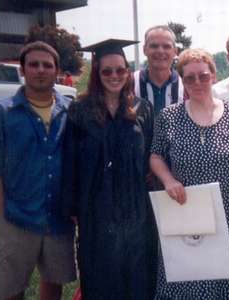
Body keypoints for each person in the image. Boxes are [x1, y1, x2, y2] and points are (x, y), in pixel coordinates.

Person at [62, 39, 157, 299]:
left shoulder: (142, 109)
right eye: (107, 71)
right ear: (97, 73)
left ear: (127, 71)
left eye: (120, 70)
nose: (114, 76)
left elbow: (151, 156)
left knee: (136, 277)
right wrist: (72, 208)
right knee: (102, 276)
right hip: (96, 211)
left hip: (135, 210)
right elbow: (70, 161)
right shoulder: (80, 110)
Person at [150, 48, 229, 299]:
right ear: (182, 80)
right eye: (189, 78)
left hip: (227, 217)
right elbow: (156, 155)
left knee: (223, 285)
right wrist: (168, 179)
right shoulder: (169, 116)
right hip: (184, 213)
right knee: (187, 283)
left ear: (214, 76)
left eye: (203, 76)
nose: (197, 82)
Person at [0, 41, 76, 300]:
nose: (40, 70)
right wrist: (1, 213)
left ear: (57, 71)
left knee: (53, 284)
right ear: (24, 70)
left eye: (47, 65)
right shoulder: (2, 112)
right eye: (34, 64)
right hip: (17, 215)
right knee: (10, 288)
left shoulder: (70, 111)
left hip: (58, 217)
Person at [134, 25, 184, 116]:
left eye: (166, 46)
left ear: (175, 51)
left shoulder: (186, 85)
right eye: (154, 46)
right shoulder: (131, 82)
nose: (160, 51)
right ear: (144, 49)